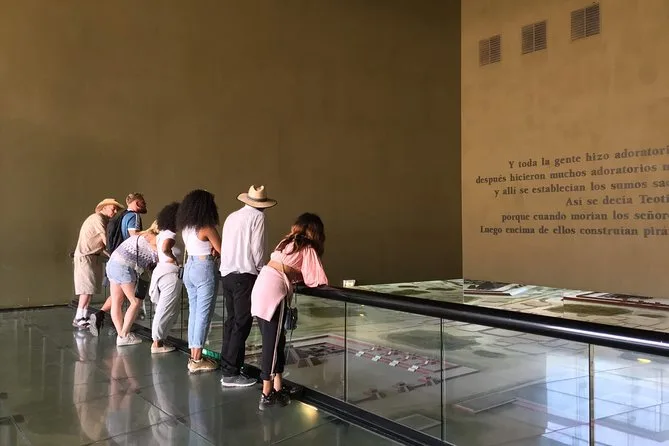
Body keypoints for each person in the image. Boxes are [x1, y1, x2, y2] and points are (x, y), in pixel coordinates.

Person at [251, 213, 328, 409]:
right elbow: (317, 278)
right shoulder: (307, 247)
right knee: (272, 345)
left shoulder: (286, 242)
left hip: (261, 285)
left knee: (275, 341)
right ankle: (266, 394)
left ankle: (277, 387)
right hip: (274, 291)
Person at [219, 185, 277, 387]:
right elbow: (257, 249)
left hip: (227, 274)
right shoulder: (258, 217)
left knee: (232, 321)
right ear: (263, 205)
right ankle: (231, 373)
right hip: (245, 275)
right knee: (241, 323)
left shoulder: (232, 216)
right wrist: (262, 271)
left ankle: (227, 366)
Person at [176, 189, 222, 374]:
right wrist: (216, 251)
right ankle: (197, 359)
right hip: (204, 268)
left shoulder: (187, 228)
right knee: (203, 314)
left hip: (190, 267)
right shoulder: (207, 227)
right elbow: (222, 249)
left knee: (194, 313)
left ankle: (193, 356)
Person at [89, 192, 148, 334]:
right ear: (137, 203)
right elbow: (134, 236)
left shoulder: (121, 216)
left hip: (114, 260)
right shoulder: (134, 216)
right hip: (125, 262)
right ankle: (123, 333)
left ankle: (111, 323)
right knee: (135, 301)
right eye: (143, 202)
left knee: (117, 299)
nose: (145, 205)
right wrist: (150, 234)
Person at [72, 198, 124, 329]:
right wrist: (117, 254)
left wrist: (112, 255)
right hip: (86, 257)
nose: (115, 211)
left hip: (93, 257)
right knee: (86, 289)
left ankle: (83, 316)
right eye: (113, 208)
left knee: (89, 289)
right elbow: (106, 240)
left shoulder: (103, 220)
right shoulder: (97, 219)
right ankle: (79, 317)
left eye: (116, 209)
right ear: (104, 207)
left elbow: (102, 245)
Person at [105, 222, 159, 346]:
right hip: (124, 267)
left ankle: (121, 335)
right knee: (135, 302)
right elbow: (160, 257)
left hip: (112, 264)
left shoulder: (141, 235)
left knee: (116, 302)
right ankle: (124, 335)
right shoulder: (155, 240)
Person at [149, 202, 182, 354]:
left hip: (161, 271)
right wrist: (173, 258)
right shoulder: (171, 234)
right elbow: (165, 248)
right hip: (170, 273)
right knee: (165, 309)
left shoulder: (161, 233)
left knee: (165, 308)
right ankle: (157, 342)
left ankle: (160, 339)